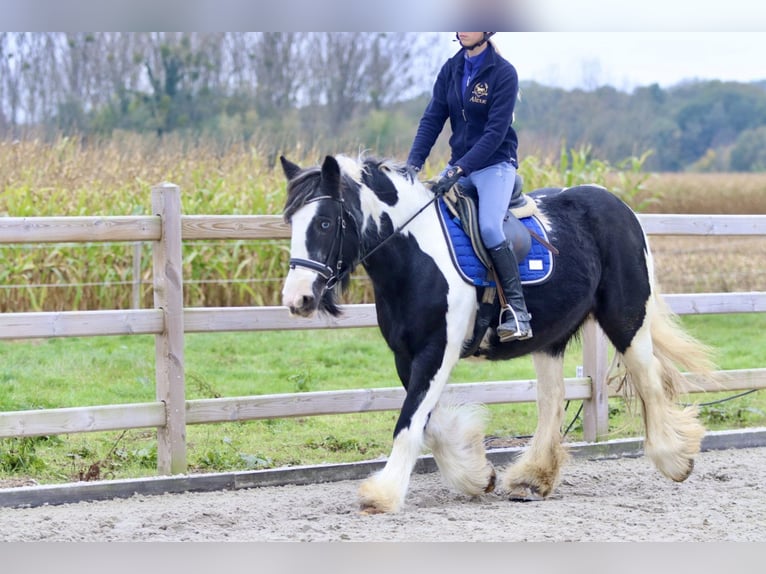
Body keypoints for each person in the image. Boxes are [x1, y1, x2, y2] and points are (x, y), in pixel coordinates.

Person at [407, 32, 532, 342]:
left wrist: (461, 168)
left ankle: (517, 312)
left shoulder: (503, 73)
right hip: (459, 165)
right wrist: (412, 166)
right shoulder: (451, 69)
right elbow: (432, 119)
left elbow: (494, 133)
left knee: (490, 227)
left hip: (495, 165)